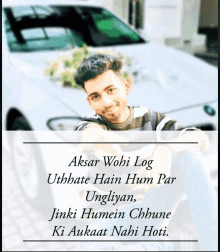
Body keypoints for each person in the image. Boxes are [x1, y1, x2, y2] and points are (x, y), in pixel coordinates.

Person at [74, 54, 217, 251]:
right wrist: (103, 141)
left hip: (146, 211)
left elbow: (199, 138)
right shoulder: (90, 123)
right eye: (96, 96)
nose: (106, 102)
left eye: (110, 90)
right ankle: (166, 245)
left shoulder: (149, 119)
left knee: (188, 155)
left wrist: (166, 149)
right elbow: (89, 133)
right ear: (90, 102)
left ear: (126, 86)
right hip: (105, 219)